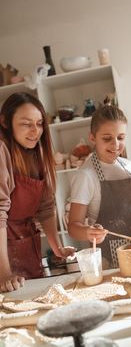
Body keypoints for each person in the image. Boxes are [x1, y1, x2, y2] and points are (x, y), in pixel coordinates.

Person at [0, 92, 76, 293]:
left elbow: (45, 206)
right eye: (26, 124)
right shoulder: (1, 150)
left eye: (40, 123)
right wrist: (4, 273)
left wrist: (57, 247)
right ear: (5, 122)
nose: (35, 131)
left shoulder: (36, 151)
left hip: (25, 245)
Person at [68, 105, 131, 268]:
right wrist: (89, 232)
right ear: (92, 137)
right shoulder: (86, 175)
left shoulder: (129, 166)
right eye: (107, 138)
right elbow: (73, 227)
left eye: (121, 137)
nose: (115, 144)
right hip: (109, 260)